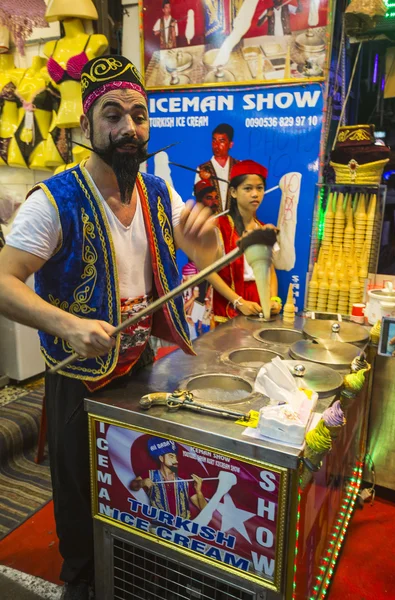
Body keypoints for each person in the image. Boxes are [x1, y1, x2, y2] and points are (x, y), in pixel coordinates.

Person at [0, 55, 219, 600]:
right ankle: (82, 579)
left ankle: (131, 567)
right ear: (85, 127)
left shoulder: (155, 194)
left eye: (139, 116)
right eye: (113, 115)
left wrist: (208, 249)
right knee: (79, 491)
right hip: (78, 372)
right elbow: (4, 279)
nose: (129, 129)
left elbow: (195, 259)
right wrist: (67, 324)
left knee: (139, 477)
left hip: (140, 365)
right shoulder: (54, 200)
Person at [207, 159, 281, 322]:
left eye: (259, 188)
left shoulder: (263, 228)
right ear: (233, 192)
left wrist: (273, 299)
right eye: (248, 188)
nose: (255, 194)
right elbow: (209, 272)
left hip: (259, 302)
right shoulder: (219, 226)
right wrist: (238, 302)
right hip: (230, 304)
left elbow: (271, 271)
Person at [130, 437, 206, 516]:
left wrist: (199, 491)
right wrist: (142, 482)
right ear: (161, 458)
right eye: (171, 456)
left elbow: (204, 509)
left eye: (175, 457)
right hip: (157, 525)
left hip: (181, 526)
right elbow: (132, 485)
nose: (176, 461)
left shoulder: (183, 481)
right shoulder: (150, 474)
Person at [195, 123, 238, 213]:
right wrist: (204, 182)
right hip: (211, 221)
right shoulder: (202, 169)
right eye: (214, 141)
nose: (216, 145)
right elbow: (198, 199)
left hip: (235, 222)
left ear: (230, 144)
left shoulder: (239, 166)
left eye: (221, 141)